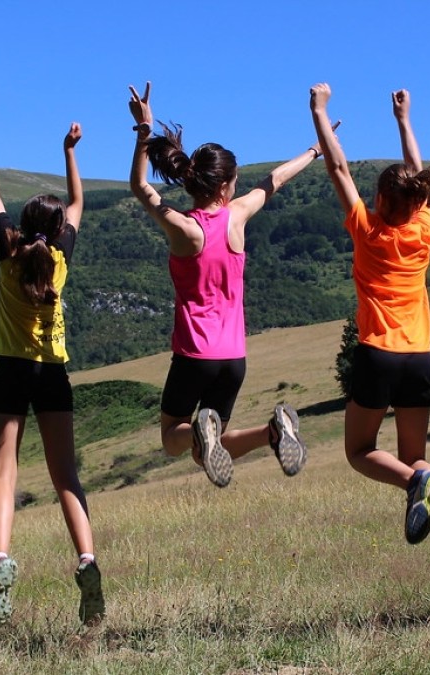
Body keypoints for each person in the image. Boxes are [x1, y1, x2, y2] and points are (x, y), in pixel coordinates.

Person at [309, 83, 430, 578]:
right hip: (419, 356)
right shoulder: (423, 231)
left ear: (379, 197)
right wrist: (404, 120)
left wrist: (319, 110)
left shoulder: (367, 228)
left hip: (378, 352)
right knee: (417, 459)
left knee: (359, 451)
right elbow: (417, 177)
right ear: (420, 199)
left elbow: (337, 168)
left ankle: (414, 489)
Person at [127, 81, 310, 488]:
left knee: (175, 439)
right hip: (233, 358)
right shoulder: (238, 216)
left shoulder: (184, 229)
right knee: (211, 445)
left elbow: (140, 187)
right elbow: (275, 179)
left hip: (195, 354)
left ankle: (201, 430)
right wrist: (316, 149)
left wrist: (144, 130)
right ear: (227, 186)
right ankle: (273, 432)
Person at [0, 108, 104, 627]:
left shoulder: (10, 254)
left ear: (20, 226)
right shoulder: (60, 260)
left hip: (10, 369)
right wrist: (70, 150)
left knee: (3, 473)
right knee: (65, 475)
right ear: (55, 230)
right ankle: (88, 559)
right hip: (53, 372)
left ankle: (0, 561)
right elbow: (77, 202)